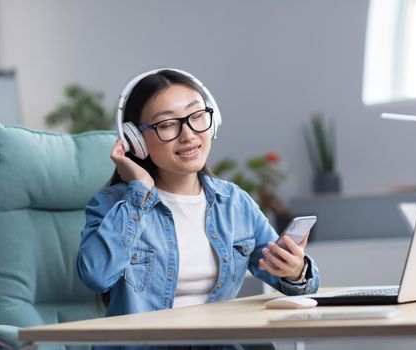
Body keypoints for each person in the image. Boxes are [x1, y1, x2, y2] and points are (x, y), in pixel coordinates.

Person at [77, 68, 320, 347]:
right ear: (136, 140)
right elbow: (96, 275)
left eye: (196, 117)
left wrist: (294, 270)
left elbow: (299, 284)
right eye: (167, 124)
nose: (188, 134)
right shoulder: (112, 204)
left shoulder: (234, 204)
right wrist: (140, 190)